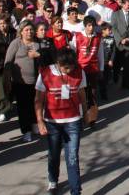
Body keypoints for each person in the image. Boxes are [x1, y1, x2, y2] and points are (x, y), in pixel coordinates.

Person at [35, 48, 88, 195]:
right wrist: (40, 121)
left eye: (72, 66)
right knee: (54, 154)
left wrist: (86, 113)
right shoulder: (45, 74)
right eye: (66, 67)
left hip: (73, 121)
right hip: (52, 122)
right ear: (58, 63)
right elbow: (38, 100)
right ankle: (53, 181)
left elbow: (82, 94)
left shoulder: (79, 72)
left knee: (72, 157)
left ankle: (76, 190)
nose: (69, 70)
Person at [4, 20, 40, 142]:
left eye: (31, 29)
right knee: (23, 107)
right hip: (20, 82)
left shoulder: (37, 43)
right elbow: (8, 62)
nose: (29, 32)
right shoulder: (16, 44)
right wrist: (7, 79)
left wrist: (38, 55)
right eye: (26, 30)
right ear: (21, 31)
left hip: (36, 81)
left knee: (35, 104)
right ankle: (26, 130)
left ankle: (35, 124)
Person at [73, 16, 103, 127]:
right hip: (80, 69)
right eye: (89, 26)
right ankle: (80, 117)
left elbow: (100, 54)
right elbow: (73, 52)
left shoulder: (97, 37)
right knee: (81, 94)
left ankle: (92, 118)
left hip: (93, 69)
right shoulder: (78, 37)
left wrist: (102, 68)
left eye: (93, 26)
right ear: (85, 26)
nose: (91, 28)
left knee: (92, 93)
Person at [110, 0, 129, 90]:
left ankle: (126, 83)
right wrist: (120, 39)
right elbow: (114, 28)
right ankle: (115, 77)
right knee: (117, 64)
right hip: (119, 45)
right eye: (128, 5)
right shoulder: (115, 14)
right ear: (123, 4)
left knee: (128, 65)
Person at [99, 22, 116, 100]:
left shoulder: (112, 39)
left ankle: (104, 93)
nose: (110, 31)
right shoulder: (98, 38)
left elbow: (113, 50)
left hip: (107, 62)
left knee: (105, 78)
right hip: (100, 62)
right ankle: (101, 93)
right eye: (109, 30)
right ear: (103, 30)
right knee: (100, 78)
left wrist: (111, 60)